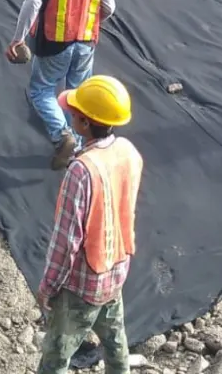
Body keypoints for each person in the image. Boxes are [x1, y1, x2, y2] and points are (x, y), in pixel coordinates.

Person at [36, 75, 142, 374]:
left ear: (83, 123)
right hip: (116, 269)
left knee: (56, 355)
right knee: (115, 339)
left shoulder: (81, 171)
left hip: (83, 284)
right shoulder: (128, 152)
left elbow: (65, 242)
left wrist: (47, 287)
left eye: (74, 115)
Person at [5, 0, 115, 169]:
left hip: (54, 42)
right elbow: (109, 7)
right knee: (77, 95)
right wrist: (89, 23)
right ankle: (77, 149)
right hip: (86, 42)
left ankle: (61, 135)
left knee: (42, 90)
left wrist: (17, 38)